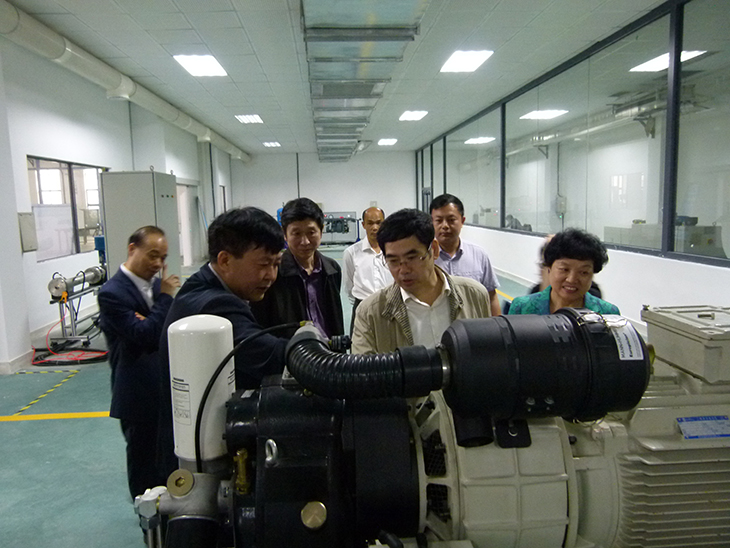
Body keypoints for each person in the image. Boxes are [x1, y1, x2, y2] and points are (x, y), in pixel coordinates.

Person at [156, 207, 289, 478]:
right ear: (225, 260)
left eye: (276, 264)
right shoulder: (213, 305)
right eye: (263, 264)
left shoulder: (203, 285)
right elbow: (269, 355)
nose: (271, 275)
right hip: (203, 459)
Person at [97, 226, 181, 500]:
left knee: (167, 457)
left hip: (163, 387)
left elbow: (164, 329)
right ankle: (146, 514)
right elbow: (145, 335)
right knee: (143, 461)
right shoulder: (112, 293)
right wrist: (165, 299)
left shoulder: (156, 285)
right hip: (137, 392)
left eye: (163, 258)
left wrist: (153, 319)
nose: (158, 264)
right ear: (132, 249)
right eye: (152, 255)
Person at [352, 208, 491, 354]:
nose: (403, 270)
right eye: (393, 261)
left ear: (434, 250)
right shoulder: (370, 313)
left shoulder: (474, 296)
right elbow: (363, 367)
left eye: (412, 258)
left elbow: (488, 354)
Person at [251, 197, 344, 338]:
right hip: (290, 349)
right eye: (296, 233)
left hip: (329, 349)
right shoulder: (273, 273)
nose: (305, 241)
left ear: (321, 231)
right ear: (285, 234)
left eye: (311, 232)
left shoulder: (332, 269)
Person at [508, 228, 619, 315]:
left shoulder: (607, 313)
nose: (571, 279)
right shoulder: (522, 308)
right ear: (549, 268)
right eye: (564, 269)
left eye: (583, 272)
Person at [430, 193, 501, 317]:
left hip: (473, 325)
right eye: (439, 220)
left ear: (462, 221)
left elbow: (491, 297)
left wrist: (498, 325)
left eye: (451, 220)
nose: (445, 226)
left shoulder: (479, 255)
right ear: (432, 223)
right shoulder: (424, 258)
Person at [342, 207, 393, 332]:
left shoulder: (393, 251)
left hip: (390, 307)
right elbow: (349, 285)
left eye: (378, 223)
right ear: (363, 225)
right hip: (362, 307)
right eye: (370, 223)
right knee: (360, 343)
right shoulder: (351, 252)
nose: (374, 227)